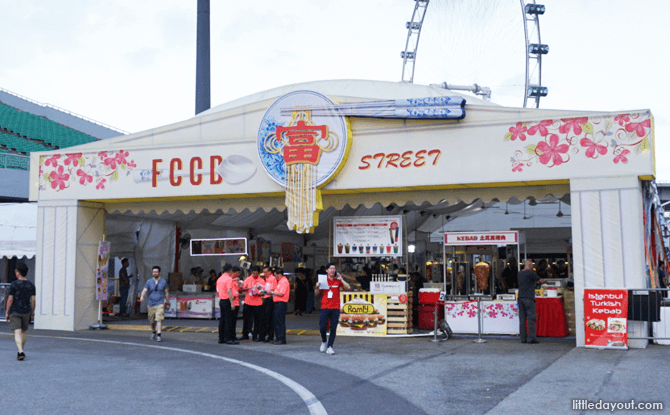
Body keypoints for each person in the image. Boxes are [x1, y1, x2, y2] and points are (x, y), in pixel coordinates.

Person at [315, 263, 350, 355]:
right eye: (331, 268)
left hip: (335, 307)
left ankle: (330, 346)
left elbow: (348, 287)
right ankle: (324, 341)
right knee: (322, 327)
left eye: (334, 269)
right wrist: (317, 286)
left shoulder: (337, 281)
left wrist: (341, 279)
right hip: (325, 307)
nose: (332, 270)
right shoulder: (323, 280)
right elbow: (317, 294)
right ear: (326, 270)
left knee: (333, 328)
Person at [5, 263, 35, 361]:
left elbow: (10, 299)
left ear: (18, 272)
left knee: (17, 332)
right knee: (23, 331)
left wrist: (7, 312)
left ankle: (20, 351)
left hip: (15, 311)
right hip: (26, 311)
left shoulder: (14, 284)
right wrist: (32, 311)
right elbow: (33, 300)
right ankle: (21, 349)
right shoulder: (31, 285)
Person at [140, 265, 170, 342]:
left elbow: (166, 292)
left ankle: (159, 335)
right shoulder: (149, 281)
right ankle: (154, 331)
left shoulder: (163, 281)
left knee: (159, 319)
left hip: (160, 303)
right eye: (154, 272)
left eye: (156, 272)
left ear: (159, 273)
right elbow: (145, 290)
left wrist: (167, 301)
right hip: (150, 304)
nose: (155, 273)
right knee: (152, 320)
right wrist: (142, 296)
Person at [517, 259, 544, 344]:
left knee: (522, 318)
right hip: (529, 297)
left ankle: (523, 338)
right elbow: (539, 281)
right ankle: (531, 338)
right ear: (530, 265)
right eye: (532, 264)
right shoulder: (531, 272)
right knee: (531, 318)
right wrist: (543, 281)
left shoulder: (519, 273)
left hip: (520, 297)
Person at [241, 265, 266, 341]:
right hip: (248, 302)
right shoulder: (248, 279)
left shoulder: (261, 281)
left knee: (257, 320)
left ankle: (255, 335)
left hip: (258, 303)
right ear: (251, 272)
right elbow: (242, 288)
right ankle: (245, 334)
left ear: (259, 273)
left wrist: (258, 293)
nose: (255, 275)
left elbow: (264, 292)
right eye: (254, 273)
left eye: (256, 273)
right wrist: (248, 288)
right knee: (246, 320)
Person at [216, 264, 238, 345]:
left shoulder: (219, 279)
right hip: (227, 300)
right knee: (228, 320)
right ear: (230, 270)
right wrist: (232, 303)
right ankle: (228, 338)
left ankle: (221, 338)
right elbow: (229, 290)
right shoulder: (229, 279)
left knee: (222, 320)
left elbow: (218, 290)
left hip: (221, 300)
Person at [270, 268, 290, 344]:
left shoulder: (283, 281)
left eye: (276, 275)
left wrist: (272, 293)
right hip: (278, 302)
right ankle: (279, 337)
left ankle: (281, 338)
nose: (275, 277)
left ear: (279, 274)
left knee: (280, 321)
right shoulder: (280, 281)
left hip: (281, 302)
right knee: (277, 320)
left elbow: (281, 293)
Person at [263, 266, 277, 342]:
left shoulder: (272, 279)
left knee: (269, 318)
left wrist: (264, 291)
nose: (264, 274)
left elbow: (272, 289)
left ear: (270, 272)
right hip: (266, 298)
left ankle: (270, 335)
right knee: (266, 318)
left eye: (266, 272)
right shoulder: (267, 279)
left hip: (270, 299)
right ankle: (268, 334)